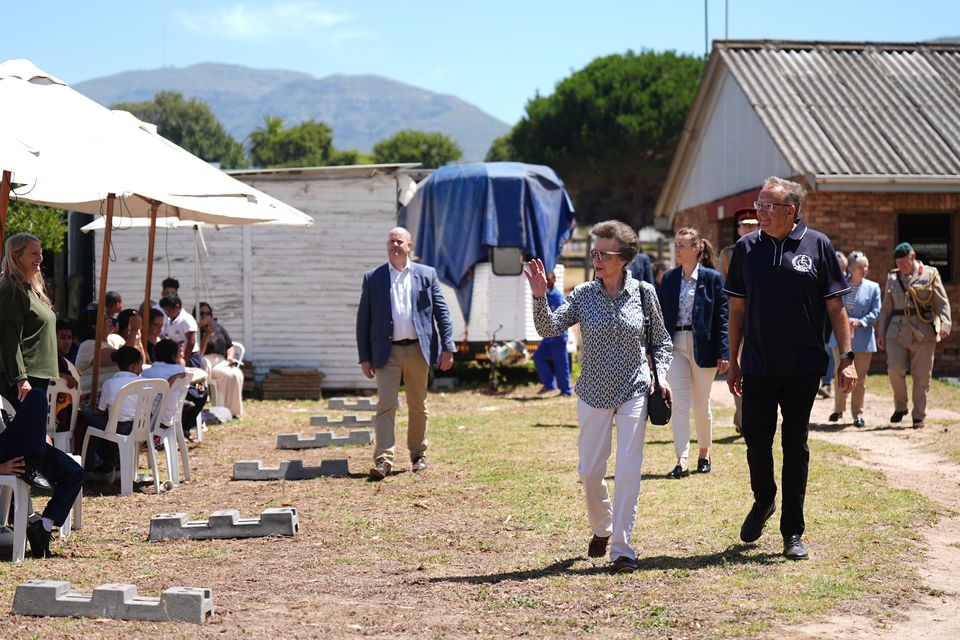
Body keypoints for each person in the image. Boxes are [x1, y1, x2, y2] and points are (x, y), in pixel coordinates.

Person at [525, 220, 673, 574]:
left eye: (604, 253)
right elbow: (548, 329)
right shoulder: (583, 295)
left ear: (624, 258)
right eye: (594, 253)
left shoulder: (644, 293)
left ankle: (622, 549)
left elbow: (661, 342)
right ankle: (602, 527)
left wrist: (661, 375)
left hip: (635, 389)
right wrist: (538, 295)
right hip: (592, 391)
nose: (597, 259)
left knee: (628, 470)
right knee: (590, 472)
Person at [725, 177, 856, 561]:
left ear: (791, 210)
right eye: (758, 205)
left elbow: (836, 308)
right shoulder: (746, 249)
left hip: (803, 365)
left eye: (768, 206)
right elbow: (736, 311)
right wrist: (733, 360)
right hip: (759, 365)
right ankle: (764, 499)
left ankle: (792, 532)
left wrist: (846, 359)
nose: (759, 212)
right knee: (755, 440)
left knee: (794, 445)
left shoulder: (818, 245)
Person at [356, 227, 455, 480]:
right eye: (390, 241)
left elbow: (442, 313)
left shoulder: (426, 275)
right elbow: (363, 320)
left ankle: (418, 455)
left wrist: (448, 346)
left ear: (409, 245)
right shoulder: (373, 277)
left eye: (399, 241)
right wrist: (364, 357)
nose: (394, 245)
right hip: (386, 353)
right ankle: (384, 460)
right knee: (386, 405)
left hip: (417, 350)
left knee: (417, 405)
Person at [657, 227, 728, 478]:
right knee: (679, 404)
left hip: (703, 346)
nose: (677, 249)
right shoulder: (669, 278)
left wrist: (724, 351)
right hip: (675, 344)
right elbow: (659, 316)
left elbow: (722, 317)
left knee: (700, 404)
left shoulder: (712, 278)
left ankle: (704, 453)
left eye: (682, 245)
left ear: (697, 248)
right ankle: (682, 460)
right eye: (676, 245)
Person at [0, 232, 59, 490]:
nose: (40, 258)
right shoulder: (11, 289)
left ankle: (21, 497)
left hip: (38, 373)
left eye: (40, 252)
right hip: (25, 375)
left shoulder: (32, 289)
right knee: (20, 439)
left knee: (31, 435)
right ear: (17, 256)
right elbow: (8, 338)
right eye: (33, 253)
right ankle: (16, 499)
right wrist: (20, 378)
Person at [0, 390, 84, 558]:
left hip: (17, 447)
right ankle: (33, 457)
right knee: (37, 395)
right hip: (7, 455)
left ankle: (43, 528)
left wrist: (39, 435)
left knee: (75, 473)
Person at [876, 242, 952, 429]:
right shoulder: (893, 277)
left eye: (904, 261)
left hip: (923, 331)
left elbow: (942, 303)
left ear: (913, 256)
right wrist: (881, 332)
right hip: (897, 331)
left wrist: (946, 323)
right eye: (898, 262)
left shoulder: (930, 274)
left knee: (921, 376)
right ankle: (901, 407)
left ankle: (918, 415)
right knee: (894, 370)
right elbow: (886, 309)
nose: (901, 265)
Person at [827, 251, 881, 427]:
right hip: (840, 337)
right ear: (851, 268)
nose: (864, 269)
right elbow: (833, 308)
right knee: (839, 373)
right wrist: (845, 321)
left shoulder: (873, 287)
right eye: (860, 267)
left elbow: (876, 311)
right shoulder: (839, 285)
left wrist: (861, 321)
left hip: (863, 338)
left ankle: (857, 413)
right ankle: (838, 409)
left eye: (866, 266)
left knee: (861, 378)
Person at [720, 209, 759, 434]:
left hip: (759, 318)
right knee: (740, 367)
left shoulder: (765, 248)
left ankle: (746, 418)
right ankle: (744, 420)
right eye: (745, 225)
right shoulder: (728, 254)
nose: (748, 229)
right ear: (738, 230)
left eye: (752, 225)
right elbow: (724, 290)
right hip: (737, 317)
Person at [80, 346, 144, 473]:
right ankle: (109, 461)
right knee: (109, 422)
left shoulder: (110, 383)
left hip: (118, 428)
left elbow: (102, 411)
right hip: (141, 427)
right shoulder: (146, 382)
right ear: (134, 366)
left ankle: (89, 464)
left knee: (88, 417)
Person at [198, 301, 244, 417]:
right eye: (202, 314)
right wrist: (206, 335)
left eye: (208, 313)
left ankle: (233, 410)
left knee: (236, 373)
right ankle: (226, 410)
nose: (205, 316)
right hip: (206, 362)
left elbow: (230, 346)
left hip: (221, 361)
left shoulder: (218, 328)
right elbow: (199, 353)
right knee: (230, 375)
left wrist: (230, 358)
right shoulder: (196, 331)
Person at [532, 272, 572, 396]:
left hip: (558, 338)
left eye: (549, 279)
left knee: (561, 365)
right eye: (546, 279)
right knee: (538, 357)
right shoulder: (545, 296)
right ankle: (549, 385)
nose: (547, 281)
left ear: (554, 280)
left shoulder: (558, 297)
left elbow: (562, 318)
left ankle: (566, 390)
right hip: (548, 338)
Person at [140, 339, 188, 429]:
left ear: (154, 355)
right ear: (174, 356)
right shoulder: (180, 370)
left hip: (150, 420)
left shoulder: (146, 373)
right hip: (169, 418)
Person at [159, 294, 202, 368]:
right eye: (165, 310)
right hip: (176, 357)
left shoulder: (186, 319)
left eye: (168, 310)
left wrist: (184, 359)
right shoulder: (169, 320)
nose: (166, 313)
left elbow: (191, 341)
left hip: (190, 357)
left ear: (177, 307)